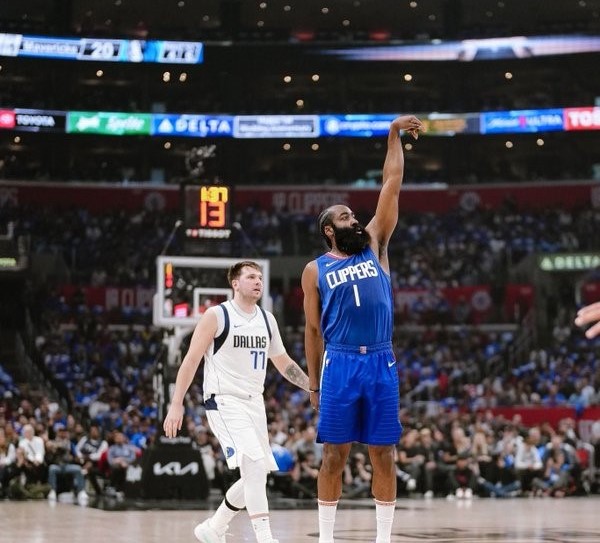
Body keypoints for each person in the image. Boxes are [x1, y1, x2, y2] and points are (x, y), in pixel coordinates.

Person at [302, 115, 423, 543]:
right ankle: (326, 539)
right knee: (333, 454)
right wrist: (314, 382)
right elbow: (313, 331)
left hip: (379, 359)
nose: (356, 220)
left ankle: (384, 539)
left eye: (355, 215)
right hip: (338, 363)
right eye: (347, 217)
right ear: (328, 230)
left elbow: (391, 182)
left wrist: (392, 134)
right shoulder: (314, 271)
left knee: (384, 453)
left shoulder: (375, 244)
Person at [163, 260, 310, 543]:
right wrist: (176, 403)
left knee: (258, 474)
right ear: (235, 283)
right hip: (224, 400)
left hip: (255, 402)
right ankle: (265, 538)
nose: (258, 282)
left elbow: (284, 363)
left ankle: (215, 527)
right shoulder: (217, 316)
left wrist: (311, 388)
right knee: (254, 464)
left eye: (260, 277)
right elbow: (191, 359)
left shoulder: (267, 319)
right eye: (251, 277)